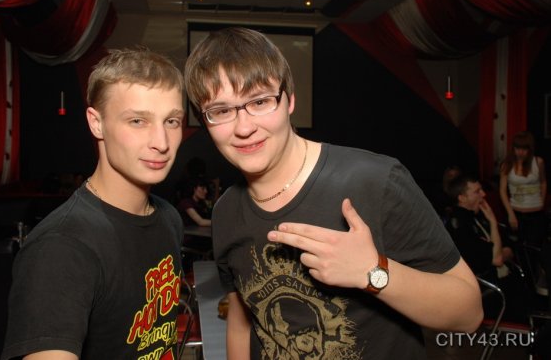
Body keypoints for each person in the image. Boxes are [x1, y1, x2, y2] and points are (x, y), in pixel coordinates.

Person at [184, 27, 483, 359]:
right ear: (204, 121)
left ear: (289, 100)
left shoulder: (374, 181)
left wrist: (372, 272)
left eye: (260, 101)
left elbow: (469, 313)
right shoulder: (226, 212)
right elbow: (242, 321)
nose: (244, 127)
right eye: (221, 111)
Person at [1, 47, 186, 360]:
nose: (161, 142)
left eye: (171, 121)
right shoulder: (62, 248)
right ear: (96, 123)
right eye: (137, 120)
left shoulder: (168, 218)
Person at [445, 174, 525, 322]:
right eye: (477, 191)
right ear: (462, 198)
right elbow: (497, 259)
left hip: (500, 280)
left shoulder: (478, 216)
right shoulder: (460, 226)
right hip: (486, 289)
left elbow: (508, 246)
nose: (483, 194)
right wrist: (493, 222)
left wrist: (500, 251)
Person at [499, 131, 547, 249]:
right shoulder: (507, 165)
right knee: (516, 248)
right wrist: (510, 214)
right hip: (516, 212)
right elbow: (502, 190)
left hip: (536, 214)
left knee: (535, 248)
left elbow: (543, 182)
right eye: (517, 148)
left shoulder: (538, 162)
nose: (520, 152)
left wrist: (542, 201)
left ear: (529, 149)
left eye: (524, 149)